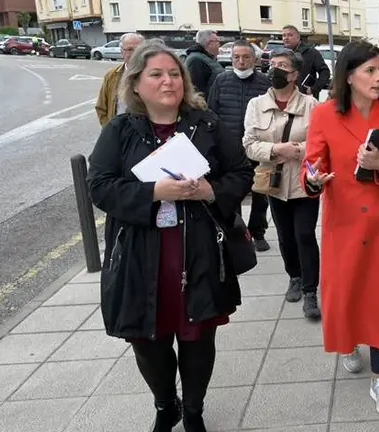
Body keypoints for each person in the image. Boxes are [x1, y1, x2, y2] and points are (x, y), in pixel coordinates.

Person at [87, 41, 254, 432]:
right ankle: (166, 405)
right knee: (148, 342)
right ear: (136, 84)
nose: (168, 81)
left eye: (175, 73)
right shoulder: (120, 131)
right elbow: (99, 186)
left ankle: (193, 410)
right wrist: (153, 193)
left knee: (198, 339)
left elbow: (241, 173)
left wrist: (210, 191)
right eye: (157, 74)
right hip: (140, 257)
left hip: (198, 253)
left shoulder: (206, 125)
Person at [301, 41, 379, 416]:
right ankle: (349, 340)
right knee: (347, 292)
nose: (378, 77)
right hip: (345, 221)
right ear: (349, 76)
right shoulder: (324, 114)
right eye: (370, 70)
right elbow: (312, 163)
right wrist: (313, 179)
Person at [243, 49, 321, 319]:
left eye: (282, 66)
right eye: (272, 64)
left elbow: (321, 142)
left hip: (305, 181)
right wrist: (276, 149)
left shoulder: (311, 106)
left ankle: (310, 290)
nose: (274, 69)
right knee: (285, 236)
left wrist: (297, 150)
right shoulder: (256, 105)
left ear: (294, 74)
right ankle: (294, 277)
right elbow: (249, 144)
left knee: (305, 235)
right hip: (274, 182)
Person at [208, 39, 272, 252]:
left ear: (254, 59)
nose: (241, 61)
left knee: (261, 191)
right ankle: (236, 231)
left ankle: (258, 231)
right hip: (230, 147)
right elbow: (212, 111)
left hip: (257, 145)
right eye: (236, 57)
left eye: (246, 57)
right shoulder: (221, 80)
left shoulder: (265, 83)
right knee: (232, 191)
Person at [95, 32, 145, 126]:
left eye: (138, 49)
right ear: (122, 51)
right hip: (118, 131)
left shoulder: (153, 75)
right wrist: (109, 130)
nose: (134, 53)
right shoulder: (111, 75)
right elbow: (101, 107)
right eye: (129, 49)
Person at [281, 25, 330, 99]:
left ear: (298, 37)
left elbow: (325, 72)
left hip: (305, 97)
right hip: (287, 96)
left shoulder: (311, 53)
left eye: (290, 35)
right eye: (284, 35)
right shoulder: (282, 54)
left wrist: (314, 88)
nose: (286, 38)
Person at [184, 29, 225, 96]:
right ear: (209, 43)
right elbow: (197, 91)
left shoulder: (207, 58)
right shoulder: (195, 61)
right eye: (217, 41)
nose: (219, 44)